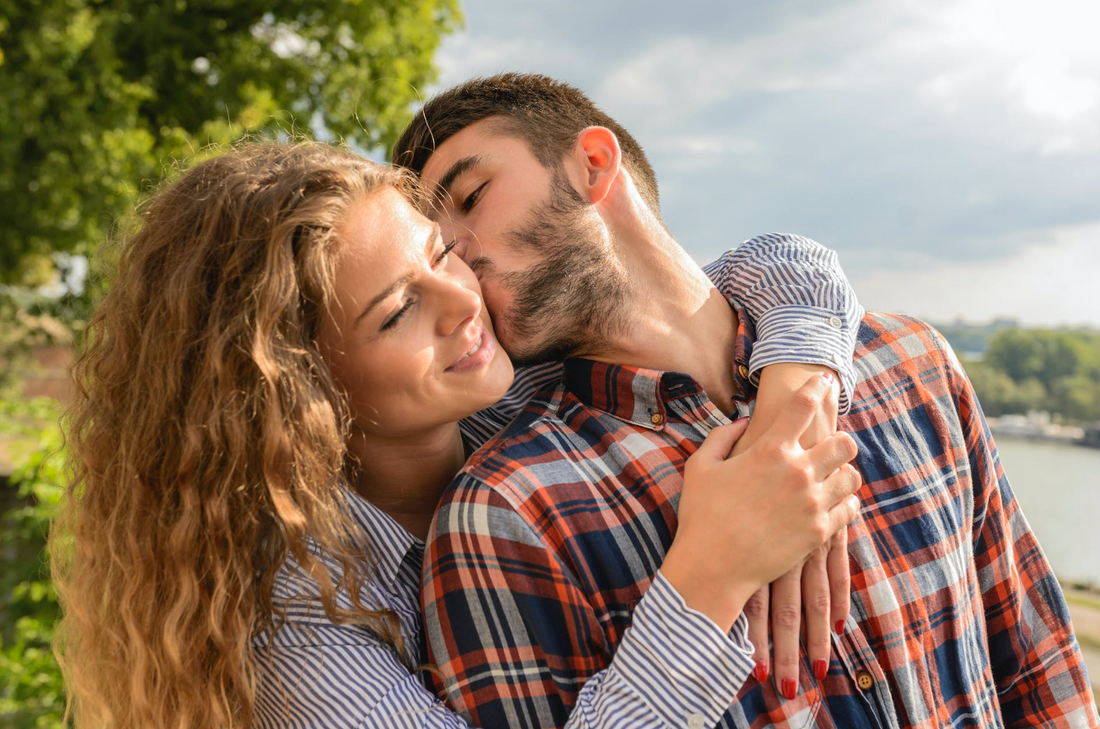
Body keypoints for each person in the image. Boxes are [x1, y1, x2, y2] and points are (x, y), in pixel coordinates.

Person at [51, 141, 866, 729]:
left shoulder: (515, 389)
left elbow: (773, 267)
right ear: (300, 390)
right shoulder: (296, 624)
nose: (463, 300)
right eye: (399, 311)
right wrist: (708, 577)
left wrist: (794, 408)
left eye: (443, 251)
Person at [393, 73, 1100, 729]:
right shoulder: (503, 514)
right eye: (435, 247)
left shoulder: (914, 364)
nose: (455, 252)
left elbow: (1039, 672)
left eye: (471, 196)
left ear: (594, 165)